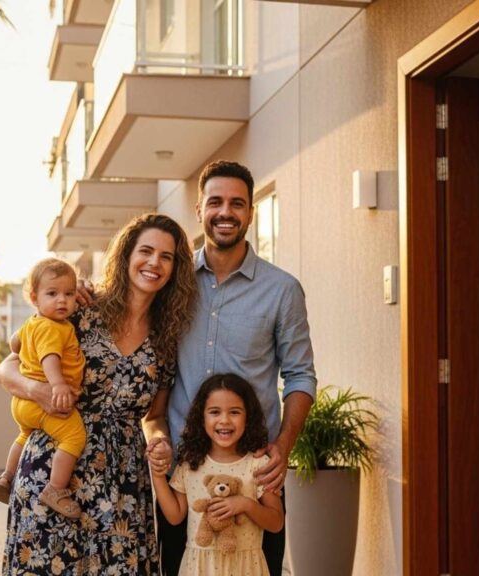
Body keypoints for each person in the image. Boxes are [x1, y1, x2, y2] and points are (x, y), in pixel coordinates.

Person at [0, 214, 197, 575]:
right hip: (54, 475)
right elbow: (6, 368)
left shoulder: (167, 338)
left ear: (175, 268)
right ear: (126, 256)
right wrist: (38, 390)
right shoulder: (80, 308)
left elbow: (154, 417)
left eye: (166, 257)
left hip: (122, 483)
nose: (154, 262)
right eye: (146, 251)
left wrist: (161, 442)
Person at [159, 160, 317, 576]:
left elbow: (300, 375)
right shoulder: (172, 281)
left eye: (237, 203)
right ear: (199, 210)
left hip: (255, 478)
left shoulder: (282, 290)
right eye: (215, 202)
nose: (225, 212)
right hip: (183, 474)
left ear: (250, 212)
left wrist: (282, 446)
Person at [153, 374, 283, 576]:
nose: (224, 420)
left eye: (235, 412)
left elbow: (276, 523)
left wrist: (245, 504)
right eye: (214, 412)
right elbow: (174, 515)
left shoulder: (259, 465)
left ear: (248, 417)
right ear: (201, 417)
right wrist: (158, 475)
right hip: (200, 569)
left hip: (246, 569)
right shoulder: (190, 464)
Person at [0, 258, 86, 519]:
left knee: (23, 436)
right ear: (34, 297)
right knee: (74, 437)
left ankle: (7, 476)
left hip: (21, 405)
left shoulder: (32, 323)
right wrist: (57, 385)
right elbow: (50, 358)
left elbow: (14, 344)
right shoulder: (53, 328)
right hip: (45, 400)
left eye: (69, 294)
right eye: (52, 294)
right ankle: (55, 489)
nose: (62, 301)